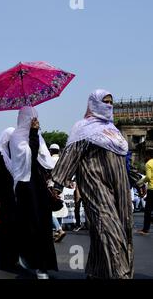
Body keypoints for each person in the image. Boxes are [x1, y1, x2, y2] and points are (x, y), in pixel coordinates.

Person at [52, 89, 133, 279]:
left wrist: (136, 180)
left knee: (119, 226)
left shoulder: (113, 131)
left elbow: (123, 161)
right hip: (94, 183)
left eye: (111, 102)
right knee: (108, 226)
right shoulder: (83, 127)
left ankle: (98, 270)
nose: (109, 106)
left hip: (119, 186)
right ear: (94, 103)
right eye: (105, 102)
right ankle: (120, 273)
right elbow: (70, 155)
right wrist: (57, 185)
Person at [9, 106, 58, 279]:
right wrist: (33, 134)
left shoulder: (39, 136)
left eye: (36, 117)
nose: (35, 120)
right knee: (31, 225)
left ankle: (43, 265)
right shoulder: (16, 137)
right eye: (32, 117)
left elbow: (46, 161)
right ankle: (32, 262)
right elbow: (29, 155)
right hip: (25, 186)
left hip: (39, 186)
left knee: (44, 225)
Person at [0, 127, 19, 270]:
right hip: (2, 197)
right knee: (5, 227)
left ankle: (13, 256)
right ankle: (3, 256)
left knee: (13, 227)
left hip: (13, 197)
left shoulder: (13, 154)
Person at [49, 143, 66, 243]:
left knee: (48, 210)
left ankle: (59, 229)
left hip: (52, 186)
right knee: (58, 207)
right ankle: (57, 231)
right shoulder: (62, 160)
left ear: (50, 151)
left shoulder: (49, 160)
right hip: (61, 186)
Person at [136, 149, 153, 235]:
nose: (144, 157)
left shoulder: (148, 164)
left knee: (148, 210)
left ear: (148, 155)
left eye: (145, 155)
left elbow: (148, 177)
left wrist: (140, 182)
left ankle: (145, 230)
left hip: (152, 189)